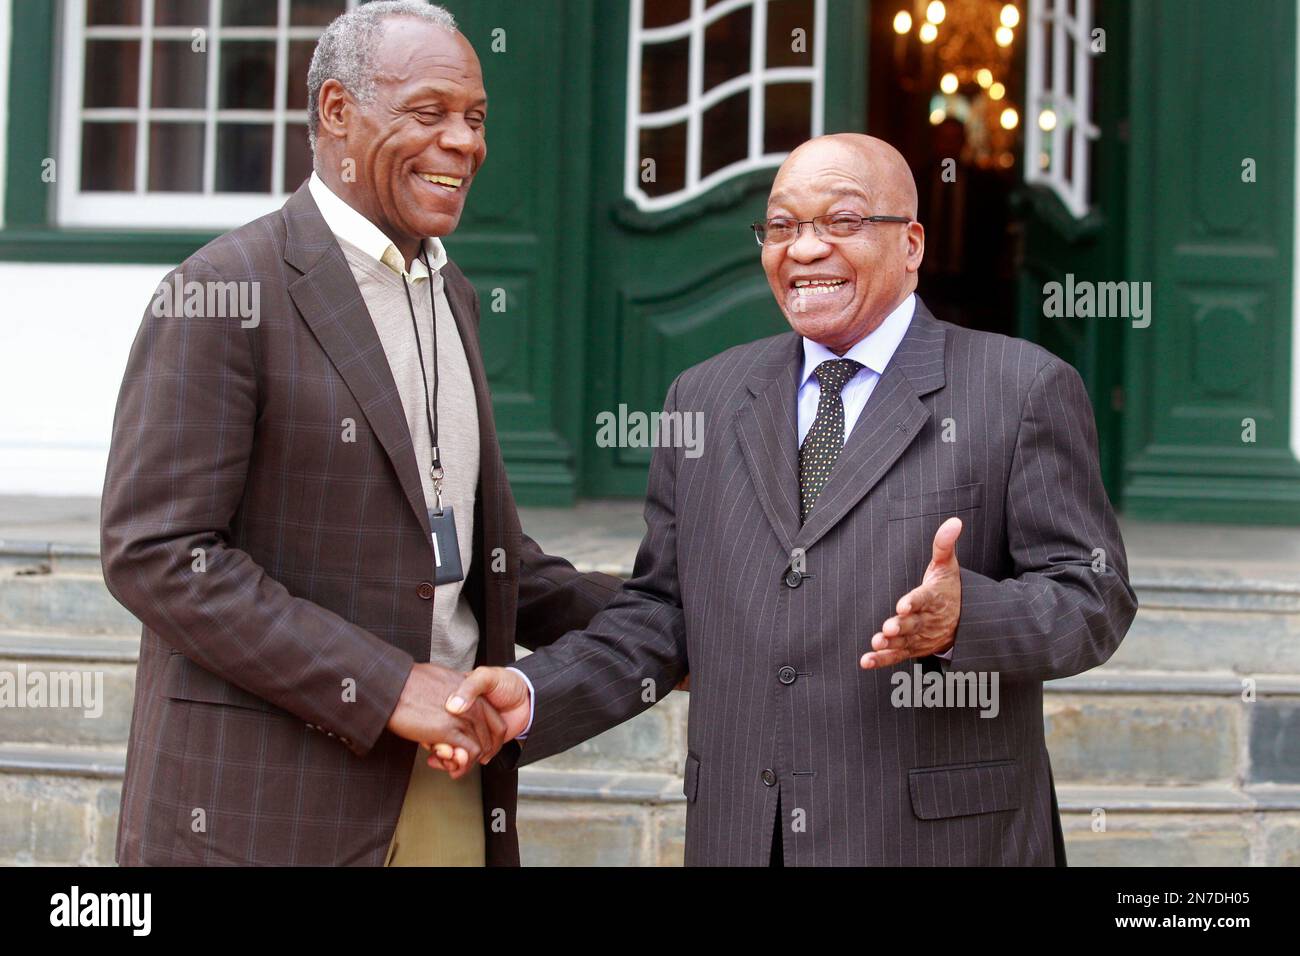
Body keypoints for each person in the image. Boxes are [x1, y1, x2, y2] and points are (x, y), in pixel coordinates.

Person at [439, 133, 1139, 866]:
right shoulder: (703, 398)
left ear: (911, 243)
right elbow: (659, 614)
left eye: (841, 222)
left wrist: (968, 617)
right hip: (745, 835)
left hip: (942, 840)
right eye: (780, 226)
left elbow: (1095, 597)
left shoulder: (1021, 387)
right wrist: (532, 692)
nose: (802, 250)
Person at [100, 1, 619, 867]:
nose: (465, 143)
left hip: (451, 783)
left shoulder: (451, 294)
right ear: (338, 113)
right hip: (266, 808)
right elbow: (157, 553)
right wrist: (388, 688)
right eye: (430, 113)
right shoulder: (223, 291)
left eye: (476, 118)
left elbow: (480, 559)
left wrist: (676, 623)